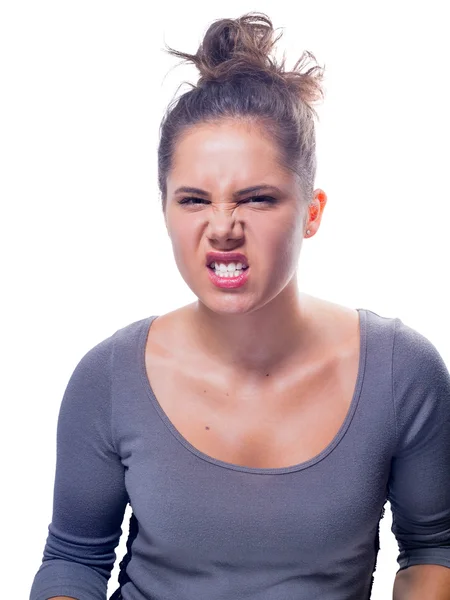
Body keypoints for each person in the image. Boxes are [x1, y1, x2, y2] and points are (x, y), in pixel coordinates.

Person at [29, 12, 450, 600]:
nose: (222, 228)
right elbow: (74, 557)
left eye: (257, 198)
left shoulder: (401, 372)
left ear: (313, 211)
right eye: (194, 199)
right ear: (165, 211)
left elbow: (434, 547)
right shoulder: (107, 378)